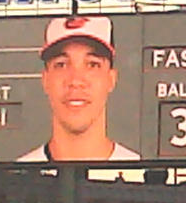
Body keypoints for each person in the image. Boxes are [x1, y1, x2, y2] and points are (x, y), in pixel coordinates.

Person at [18, 16, 140, 161]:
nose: (75, 80)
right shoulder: (15, 179)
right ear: (45, 80)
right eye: (61, 64)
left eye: (92, 64)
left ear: (111, 79)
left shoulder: (144, 176)